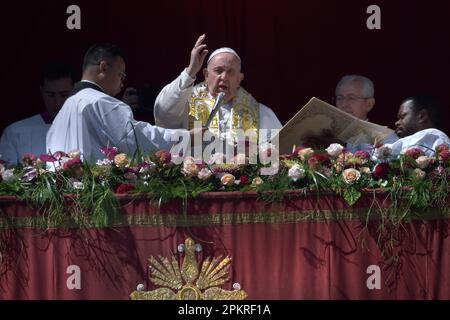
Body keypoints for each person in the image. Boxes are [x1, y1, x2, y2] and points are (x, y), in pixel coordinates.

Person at [46, 43, 191, 163]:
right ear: (103, 67)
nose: (121, 85)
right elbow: (136, 139)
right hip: (93, 194)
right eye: (121, 75)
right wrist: (184, 137)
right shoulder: (101, 102)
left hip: (62, 196)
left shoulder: (60, 115)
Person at [154, 34, 282, 141]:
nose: (224, 77)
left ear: (239, 79)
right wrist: (190, 71)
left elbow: (279, 149)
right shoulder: (184, 105)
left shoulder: (261, 113)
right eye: (218, 70)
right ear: (206, 75)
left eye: (231, 72)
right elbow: (163, 113)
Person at [0, 60, 75, 165]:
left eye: (63, 94)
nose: (58, 102)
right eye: (51, 95)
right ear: (42, 92)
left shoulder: (85, 128)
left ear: (73, 91)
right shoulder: (16, 132)